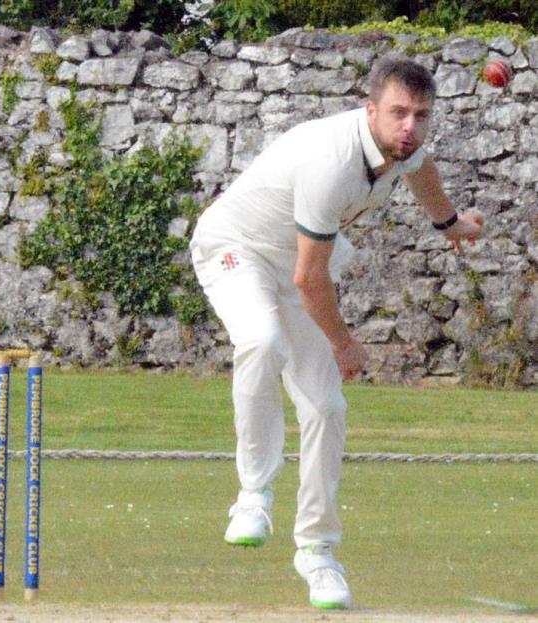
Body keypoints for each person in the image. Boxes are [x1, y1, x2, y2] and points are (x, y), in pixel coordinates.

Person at [189, 55, 483, 609]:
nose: (409, 127)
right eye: (398, 113)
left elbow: (421, 171)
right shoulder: (332, 160)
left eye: (421, 115)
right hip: (237, 249)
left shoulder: (405, 146)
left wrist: (450, 225)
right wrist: (344, 344)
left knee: (326, 408)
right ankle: (253, 494)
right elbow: (310, 277)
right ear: (369, 110)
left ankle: (317, 553)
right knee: (261, 341)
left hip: (296, 267)